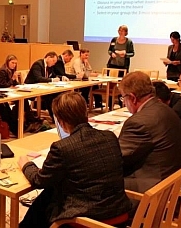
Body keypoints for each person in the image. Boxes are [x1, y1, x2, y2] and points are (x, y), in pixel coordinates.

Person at [17, 92, 131, 228]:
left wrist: (26, 165)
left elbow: (39, 180)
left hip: (88, 221)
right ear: (86, 113)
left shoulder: (62, 148)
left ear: (61, 122)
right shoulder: (110, 137)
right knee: (49, 195)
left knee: (45, 200)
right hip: (120, 214)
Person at [118, 71, 181, 193]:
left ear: (133, 98)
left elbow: (118, 159)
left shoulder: (138, 122)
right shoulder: (166, 109)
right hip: (171, 180)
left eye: (123, 97)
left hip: (153, 190)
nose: (123, 102)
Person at [0, 55, 35, 124]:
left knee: (24, 99)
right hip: (3, 92)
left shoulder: (12, 70)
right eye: (12, 63)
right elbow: (3, 85)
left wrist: (20, 85)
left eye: (15, 63)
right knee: (22, 101)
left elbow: (14, 83)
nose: (14, 65)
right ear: (8, 62)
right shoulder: (2, 71)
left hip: (11, 91)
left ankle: (26, 119)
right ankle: (28, 119)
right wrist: (13, 79)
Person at [25, 51, 61, 120]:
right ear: (48, 57)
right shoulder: (38, 64)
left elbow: (53, 75)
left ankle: (58, 116)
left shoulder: (50, 66)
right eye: (53, 61)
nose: (54, 63)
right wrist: (52, 80)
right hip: (31, 88)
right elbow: (39, 78)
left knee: (57, 95)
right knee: (49, 96)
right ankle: (54, 118)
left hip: (42, 88)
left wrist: (60, 77)